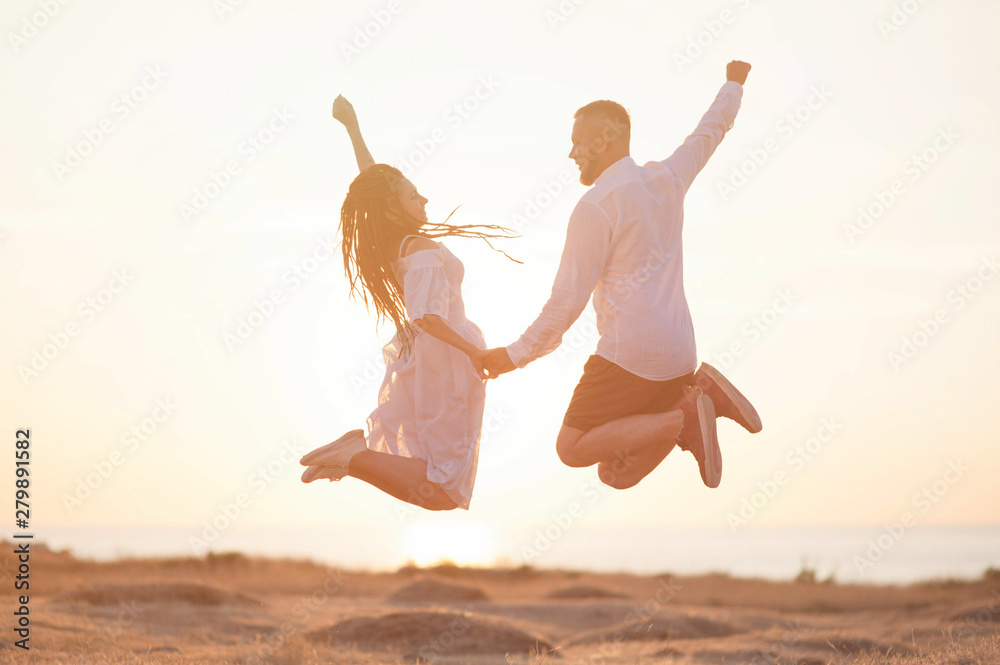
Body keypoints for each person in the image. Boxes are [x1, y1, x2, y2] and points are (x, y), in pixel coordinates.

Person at [483, 61, 762, 490]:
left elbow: (566, 301)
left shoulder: (596, 206)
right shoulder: (668, 177)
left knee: (572, 448)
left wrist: (514, 355)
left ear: (604, 139)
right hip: (680, 354)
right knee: (615, 473)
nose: (572, 153)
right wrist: (734, 85)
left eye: (577, 142)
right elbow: (710, 132)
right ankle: (695, 395)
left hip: (629, 358)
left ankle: (687, 411)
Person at [299, 96, 510, 511]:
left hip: (427, 357)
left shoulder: (394, 242)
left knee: (440, 481)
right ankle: (354, 456)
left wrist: (353, 128)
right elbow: (427, 316)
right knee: (445, 488)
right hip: (445, 359)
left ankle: (354, 456)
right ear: (395, 213)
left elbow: (374, 186)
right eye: (414, 197)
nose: (424, 200)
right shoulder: (423, 253)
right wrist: (478, 353)